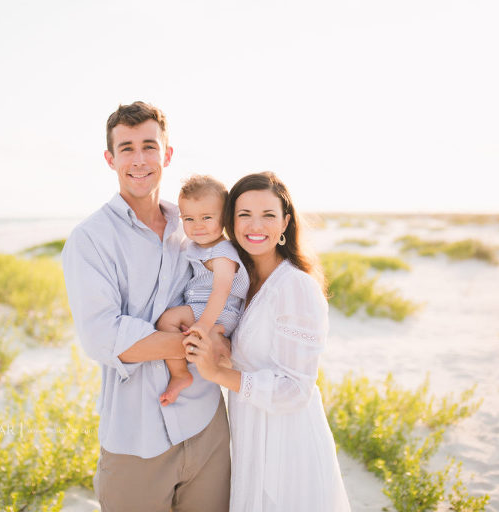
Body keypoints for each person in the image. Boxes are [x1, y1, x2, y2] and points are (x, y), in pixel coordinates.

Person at [61, 101, 231, 512]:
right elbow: (105, 339)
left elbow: (226, 289)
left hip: (206, 423)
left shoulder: (192, 227)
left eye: (149, 146)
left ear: (167, 154)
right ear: (110, 158)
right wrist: (202, 346)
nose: (139, 160)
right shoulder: (89, 239)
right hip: (136, 437)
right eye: (127, 148)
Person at [184, 172, 351, 511]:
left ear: (286, 222)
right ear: (231, 221)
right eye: (244, 214)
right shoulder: (241, 282)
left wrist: (218, 374)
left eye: (268, 215)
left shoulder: (295, 286)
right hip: (251, 436)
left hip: (288, 445)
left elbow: (295, 389)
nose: (254, 225)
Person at [155, 174, 249, 406]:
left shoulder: (223, 253)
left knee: (167, 321)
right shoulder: (196, 246)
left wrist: (204, 325)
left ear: (225, 217)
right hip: (208, 310)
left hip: (219, 310)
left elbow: (221, 291)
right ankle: (218, 346)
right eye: (189, 218)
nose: (197, 226)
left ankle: (180, 374)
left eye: (207, 217)